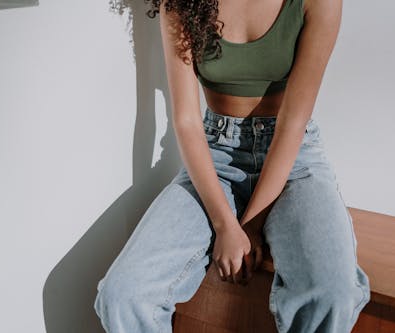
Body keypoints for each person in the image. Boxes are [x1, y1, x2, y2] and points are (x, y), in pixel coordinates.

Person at [94, 0, 371, 331]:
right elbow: (186, 121)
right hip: (213, 155)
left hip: (293, 160)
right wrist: (225, 225)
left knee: (332, 293)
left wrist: (251, 226)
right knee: (122, 294)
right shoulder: (180, 2)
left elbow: (293, 123)